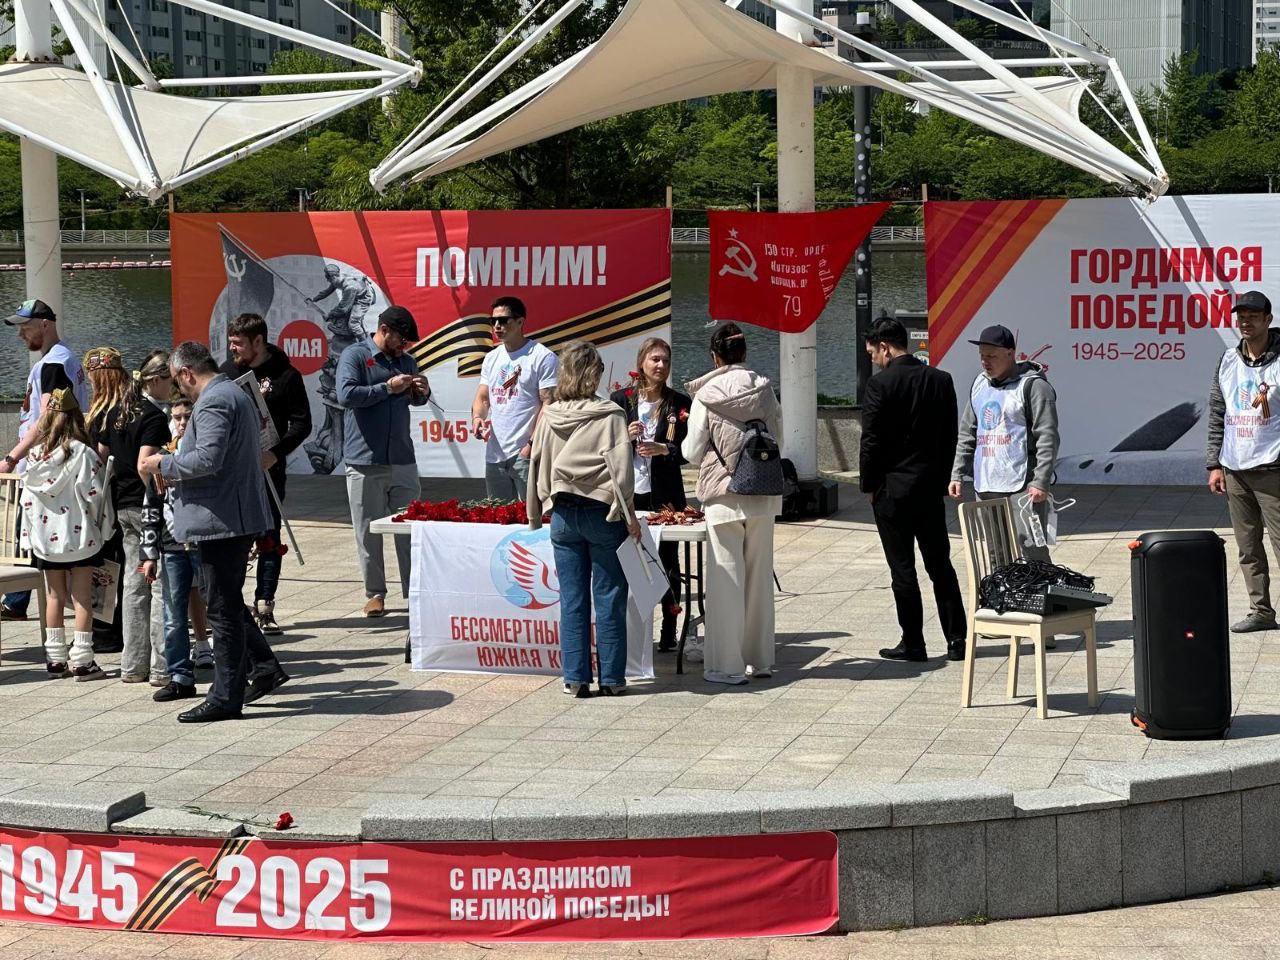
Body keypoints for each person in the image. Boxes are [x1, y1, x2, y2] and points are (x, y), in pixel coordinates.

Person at [138, 341, 289, 723]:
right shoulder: (231, 393)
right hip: (227, 515)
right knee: (224, 600)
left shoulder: (215, 400)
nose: (179, 391)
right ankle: (264, 667)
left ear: (187, 373)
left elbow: (208, 458)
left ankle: (225, 696)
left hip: (222, 520)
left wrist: (162, 463)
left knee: (220, 610)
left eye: (177, 382)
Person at [528, 340, 638, 698]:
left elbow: (536, 463)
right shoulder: (610, 415)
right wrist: (630, 515)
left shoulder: (551, 414)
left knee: (572, 600)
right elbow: (622, 473)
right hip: (602, 512)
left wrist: (536, 510)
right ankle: (612, 679)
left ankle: (575, 678)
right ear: (594, 373)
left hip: (562, 511)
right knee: (609, 597)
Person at [861, 317, 968, 663]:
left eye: (873, 354)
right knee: (940, 565)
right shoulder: (940, 380)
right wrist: (942, 478)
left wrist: (869, 485)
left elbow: (871, 440)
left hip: (892, 490)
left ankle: (914, 642)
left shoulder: (879, 385)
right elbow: (950, 435)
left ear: (885, 348)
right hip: (929, 489)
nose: (873, 360)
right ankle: (957, 640)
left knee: (902, 569)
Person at [681, 323, 781, 684]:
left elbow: (692, 452)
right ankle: (760, 659)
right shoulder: (765, 390)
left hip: (723, 494)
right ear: (745, 353)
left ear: (714, 357)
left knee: (726, 579)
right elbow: (779, 439)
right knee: (759, 579)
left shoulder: (706, 395)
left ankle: (728, 666)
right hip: (762, 492)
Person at [220, 312, 313, 635]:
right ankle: (230, 605)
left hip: (269, 468)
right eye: (230, 342)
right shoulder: (226, 372)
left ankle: (265, 604)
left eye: (238, 343)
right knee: (233, 539)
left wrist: (275, 454)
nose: (232, 349)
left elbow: (302, 423)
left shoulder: (287, 375)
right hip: (233, 472)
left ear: (258, 341)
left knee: (269, 536)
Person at [337, 305, 431, 618]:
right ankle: (375, 594)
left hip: (402, 458)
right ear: (384, 330)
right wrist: (386, 388)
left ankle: (415, 593)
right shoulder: (355, 355)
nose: (403, 347)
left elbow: (415, 400)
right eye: (401, 340)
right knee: (367, 532)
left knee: (411, 531)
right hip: (364, 460)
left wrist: (422, 391)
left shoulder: (407, 361)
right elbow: (346, 396)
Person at [0, 298, 89, 622]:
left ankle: (24, 600)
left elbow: (47, 418)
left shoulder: (54, 364)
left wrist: (12, 457)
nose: (21, 334)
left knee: (31, 533)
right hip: (57, 463)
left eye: (26, 327)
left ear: (45, 325)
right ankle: (19, 600)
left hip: (48, 466)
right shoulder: (62, 358)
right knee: (35, 534)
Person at [84, 347, 168, 687]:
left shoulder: (117, 411)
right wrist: (160, 496)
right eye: (170, 381)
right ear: (156, 381)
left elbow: (102, 455)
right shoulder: (153, 417)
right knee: (158, 585)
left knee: (134, 584)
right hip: (146, 505)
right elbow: (145, 465)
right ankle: (161, 667)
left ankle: (133, 665)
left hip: (121, 505)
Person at [19, 388, 113, 681]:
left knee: (54, 596)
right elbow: (95, 494)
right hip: (79, 536)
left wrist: (29, 536)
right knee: (82, 597)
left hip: (46, 538)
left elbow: (27, 500)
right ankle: (82, 660)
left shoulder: (35, 456)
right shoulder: (83, 454)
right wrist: (104, 524)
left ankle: (55, 659)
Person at [949, 324, 1060, 563]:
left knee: (1032, 549)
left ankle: (1040, 586)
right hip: (986, 482)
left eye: (991, 356)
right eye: (982, 356)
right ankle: (1002, 586)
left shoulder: (1033, 386)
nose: (985, 362)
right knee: (996, 553)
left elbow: (1048, 436)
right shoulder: (980, 384)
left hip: (1023, 485)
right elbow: (968, 432)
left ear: (1010, 353)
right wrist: (957, 473)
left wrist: (1040, 480)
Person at [611, 337, 692, 651]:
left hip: (665, 493)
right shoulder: (622, 399)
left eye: (666, 361)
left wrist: (665, 449)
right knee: (629, 561)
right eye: (655, 359)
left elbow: (689, 451)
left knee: (667, 562)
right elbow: (605, 446)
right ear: (641, 362)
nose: (661, 366)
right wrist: (623, 436)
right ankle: (631, 632)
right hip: (631, 494)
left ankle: (669, 629)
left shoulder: (679, 403)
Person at [1207, 290, 1280, 633]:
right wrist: (1214, 464)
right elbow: (1217, 414)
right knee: (1248, 548)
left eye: (1253, 316)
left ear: (1268, 320)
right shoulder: (1227, 360)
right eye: (1241, 317)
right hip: (1235, 468)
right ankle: (1260, 611)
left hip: (1273, 469)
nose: (1245, 322)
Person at [473, 297, 558, 501]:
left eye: (503, 320)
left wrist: (530, 446)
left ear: (520, 322)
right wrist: (477, 418)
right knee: (497, 515)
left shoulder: (542, 356)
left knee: (534, 516)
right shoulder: (491, 357)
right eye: (493, 321)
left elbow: (549, 404)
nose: (497, 326)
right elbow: (483, 397)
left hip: (527, 453)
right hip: (495, 454)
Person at [304, 264, 376, 474]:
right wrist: (314, 299)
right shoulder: (336, 282)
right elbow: (327, 291)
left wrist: (330, 315)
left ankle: (365, 347)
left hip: (364, 298)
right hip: (335, 388)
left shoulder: (350, 287)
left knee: (354, 324)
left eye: (330, 278)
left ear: (333, 276)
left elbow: (344, 308)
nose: (330, 281)